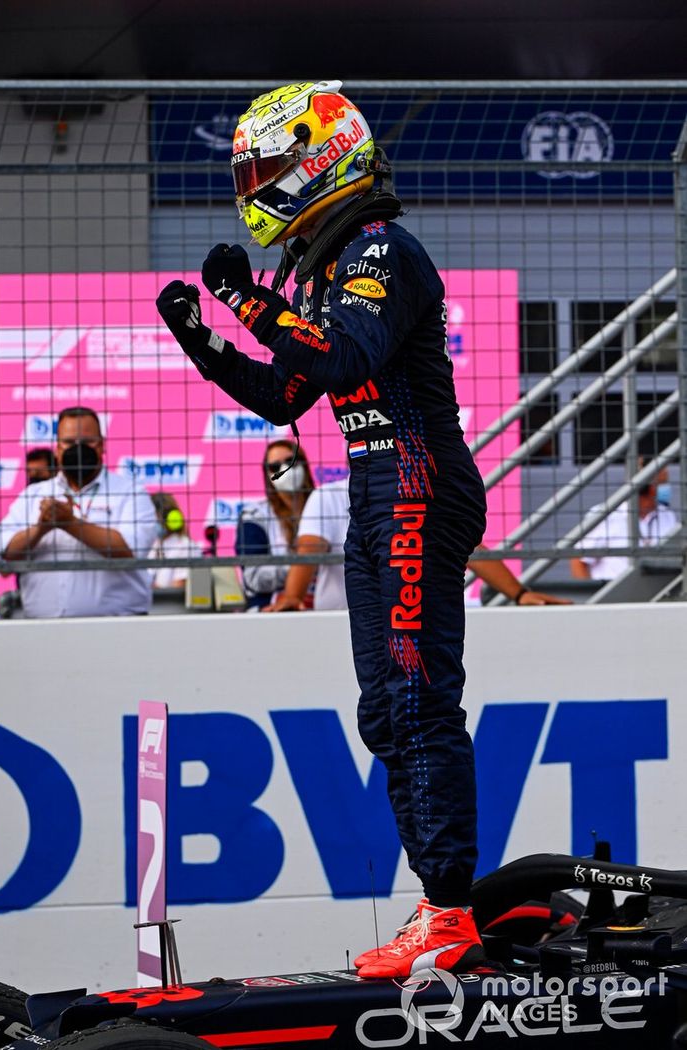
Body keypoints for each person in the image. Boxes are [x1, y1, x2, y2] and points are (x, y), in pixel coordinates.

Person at [157, 79, 489, 977]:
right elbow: (288, 393)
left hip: (417, 486)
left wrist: (245, 303)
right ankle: (440, 904)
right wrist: (203, 337)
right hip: (379, 490)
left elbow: (340, 354)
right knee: (384, 710)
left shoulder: (382, 247)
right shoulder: (333, 258)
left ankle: (450, 910)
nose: (253, 186)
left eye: (265, 168)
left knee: (418, 700)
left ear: (319, 160)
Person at [267, 476, 570, 611]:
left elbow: (467, 548)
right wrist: (292, 596)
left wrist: (519, 594)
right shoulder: (330, 496)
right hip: (347, 624)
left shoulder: (419, 492)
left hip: (412, 624)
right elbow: (309, 549)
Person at [0, 406, 157, 617]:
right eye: (69, 442)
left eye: (87, 442)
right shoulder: (33, 494)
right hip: (41, 630)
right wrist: (42, 528)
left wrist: (70, 523)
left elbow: (132, 550)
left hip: (117, 628)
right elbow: (2, 552)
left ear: (102, 445)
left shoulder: (130, 491)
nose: (78, 449)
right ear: (57, 449)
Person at [235, 440, 315, 608]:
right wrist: (304, 570)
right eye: (274, 467)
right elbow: (253, 578)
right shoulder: (255, 516)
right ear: (267, 475)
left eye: (290, 462)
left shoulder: (325, 507)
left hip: (323, 605)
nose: (285, 470)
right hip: (270, 611)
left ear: (304, 465)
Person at [570, 463, 678, 582]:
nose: (667, 488)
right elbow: (578, 560)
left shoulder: (668, 515)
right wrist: (590, 595)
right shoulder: (606, 515)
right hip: (615, 596)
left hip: (657, 595)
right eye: (664, 482)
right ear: (651, 487)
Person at [148, 491, 204, 589]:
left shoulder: (186, 546)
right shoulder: (153, 545)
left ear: (171, 519)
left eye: (154, 518)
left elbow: (180, 588)